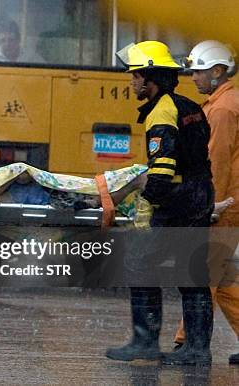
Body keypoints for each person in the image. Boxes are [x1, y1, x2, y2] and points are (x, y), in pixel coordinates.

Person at [106, 40, 214, 366]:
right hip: (198, 195)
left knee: (139, 265)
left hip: (177, 201)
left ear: (150, 77)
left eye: (136, 76)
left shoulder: (162, 111)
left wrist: (146, 203)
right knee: (191, 274)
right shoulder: (189, 106)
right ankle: (197, 349)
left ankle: (145, 342)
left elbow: (163, 168)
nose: (132, 82)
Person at [173, 40, 239, 365]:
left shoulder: (224, 108)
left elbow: (218, 161)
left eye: (198, 71)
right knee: (222, 279)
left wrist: (210, 205)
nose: (193, 77)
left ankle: (187, 343)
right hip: (229, 200)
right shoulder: (222, 102)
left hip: (225, 203)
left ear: (217, 71)